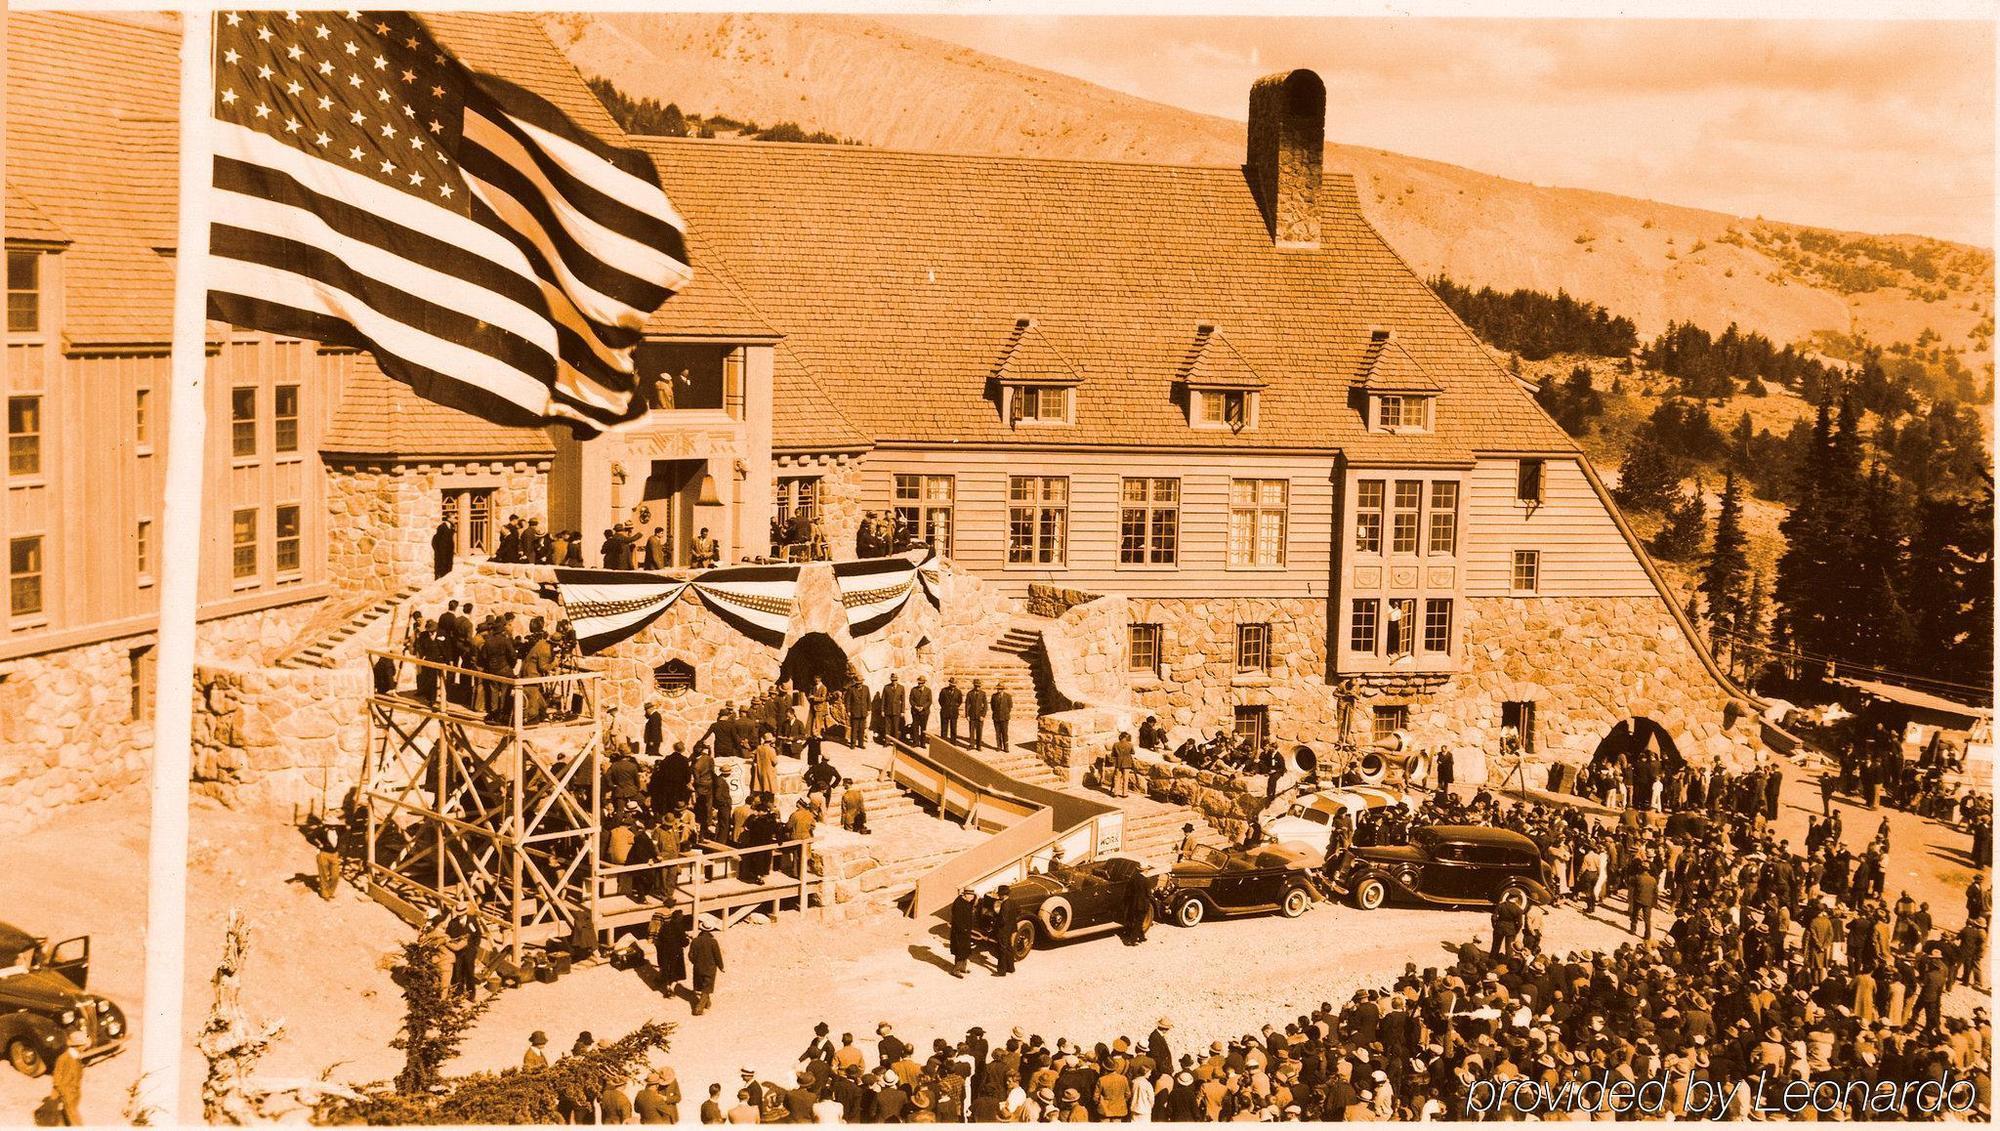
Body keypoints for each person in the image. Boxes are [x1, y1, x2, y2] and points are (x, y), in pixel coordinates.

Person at [690, 922, 724, 1015]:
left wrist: (695, 963)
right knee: (707, 987)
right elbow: (717, 956)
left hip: (698, 967)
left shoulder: (695, 941)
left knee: (702, 985)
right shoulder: (713, 941)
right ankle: (699, 1008)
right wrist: (721, 966)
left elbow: (690, 955)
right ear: (710, 930)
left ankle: (707, 1003)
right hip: (710, 968)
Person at [984, 886, 1017, 976]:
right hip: (1010, 929)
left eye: (999, 894)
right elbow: (1018, 911)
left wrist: (996, 925)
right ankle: (1011, 968)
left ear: (1003, 895)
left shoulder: (1004, 905)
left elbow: (1003, 920)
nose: (998, 896)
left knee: (1001, 950)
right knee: (1009, 948)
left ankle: (1001, 971)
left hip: (1003, 930)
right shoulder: (1012, 901)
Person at [48, 1039, 82, 1126]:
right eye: (83, 1045)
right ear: (77, 1046)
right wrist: (60, 1092)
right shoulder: (64, 1058)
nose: (85, 1047)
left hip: (73, 1091)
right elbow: (57, 1077)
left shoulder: (76, 1057)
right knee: (73, 1117)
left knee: (71, 1113)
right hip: (67, 1092)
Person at [949, 888, 980, 976]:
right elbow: (957, 920)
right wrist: (964, 930)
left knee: (965, 950)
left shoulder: (966, 900)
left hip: (966, 931)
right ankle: (956, 970)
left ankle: (963, 968)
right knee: (960, 951)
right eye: (970, 896)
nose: (972, 898)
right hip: (960, 932)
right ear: (965, 895)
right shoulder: (958, 904)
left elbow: (974, 901)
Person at [938, 677, 963, 744]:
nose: (953, 687)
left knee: (953, 728)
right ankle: (943, 741)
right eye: (951, 685)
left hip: (954, 712)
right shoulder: (944, 690)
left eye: (954, 685)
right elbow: (940, 700)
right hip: (945, 711)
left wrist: (954, 707)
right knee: (944, 728)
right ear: (949, 684)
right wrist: (945, 707)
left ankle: (953, 742)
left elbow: (960, 701)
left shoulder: (958, 692)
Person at [966, 680, 989, 751]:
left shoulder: (983, 693)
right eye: (976, 686)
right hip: (972, 715)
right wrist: (967, 715)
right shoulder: (970, 693)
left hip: (980, 716)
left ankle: (979, 746)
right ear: (974, 686)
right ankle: (972, 745)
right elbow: (967, 705)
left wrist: (983, 715)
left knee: (979, 731)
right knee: (972, 731)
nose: (978, 687)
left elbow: (985, 705)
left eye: (979, 686)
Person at [909, 676, 933, 741]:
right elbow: (911, 700)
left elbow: (929, 701)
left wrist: (923, 707)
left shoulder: (928, 690)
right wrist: (915, 706)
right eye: (919, 683)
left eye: (921, 683)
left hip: (924, 712)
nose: (920, 684)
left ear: (924, 683)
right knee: (915, 727)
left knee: (923, 728)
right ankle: (916, 742)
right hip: (915, 712)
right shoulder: (913, 690)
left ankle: (923, 742)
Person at [991, 687, 1014, 751]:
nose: (999, 690)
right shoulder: (994, 696)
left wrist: (1005, 714)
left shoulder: (1008, 696)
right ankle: (999, 746)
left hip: (1004, 718)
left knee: (1005, 733)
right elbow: (992, 707)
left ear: (1003, 689)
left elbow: (1010, 706)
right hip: (996, 717)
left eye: (1000, 689)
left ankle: (1006, 747)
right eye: (998, 689)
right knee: (997, 733)